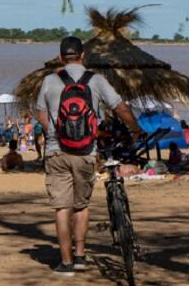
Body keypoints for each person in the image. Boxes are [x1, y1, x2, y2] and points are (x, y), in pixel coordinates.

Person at [36, 36, 143, 276]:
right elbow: (121, 107)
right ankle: (81, 256)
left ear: (61, 56)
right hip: (86, 152)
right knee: (81, 206)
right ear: (83, 56)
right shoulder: (95, 80)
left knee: (62, 208)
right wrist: (136, 130)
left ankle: (66, 263)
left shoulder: (49, 81)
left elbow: (40, 114)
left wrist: (53, 132)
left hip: (56, 151)